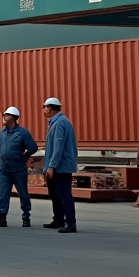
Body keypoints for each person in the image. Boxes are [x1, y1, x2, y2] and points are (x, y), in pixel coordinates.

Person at [0, 106, 38, 228]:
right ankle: (2, 217)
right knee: (3, 194)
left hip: (18, 169)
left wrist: (25, 157)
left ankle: (26, 217)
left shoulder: (23, 133)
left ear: (13, 118)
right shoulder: (2, 134)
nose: (4, 117)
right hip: (4, 169)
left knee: (23, 193)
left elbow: (33, 147)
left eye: (6, 115)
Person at [42, 97, 78, 233]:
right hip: (56, 166)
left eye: (45, 107)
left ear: (49, 108)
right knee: (55, 194)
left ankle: (70, 223)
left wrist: (52, 166)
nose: (44, 109)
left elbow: (58, 147)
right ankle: (58, 219)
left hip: (60, 167)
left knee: (64, 195)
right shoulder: (56, 122)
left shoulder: (60, 123)